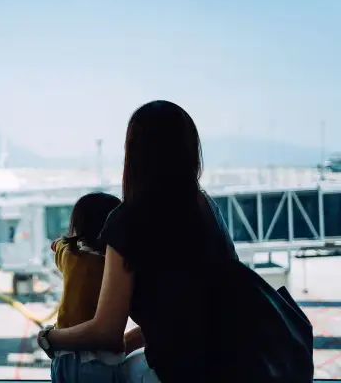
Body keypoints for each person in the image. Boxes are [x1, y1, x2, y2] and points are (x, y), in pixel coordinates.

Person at [37, 100, 240, 382]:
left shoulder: (128, 220)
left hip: (175, 372)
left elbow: (106, 332)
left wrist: (50, 338)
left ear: (134, 154)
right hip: (229, 363)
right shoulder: (206, 208)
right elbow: (194, 308)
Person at [38, 192, 127, 383]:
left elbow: (57, 245)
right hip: (106, 361)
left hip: (67, 357)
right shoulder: (117, 267)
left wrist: (60, 243)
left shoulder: (70, 256)